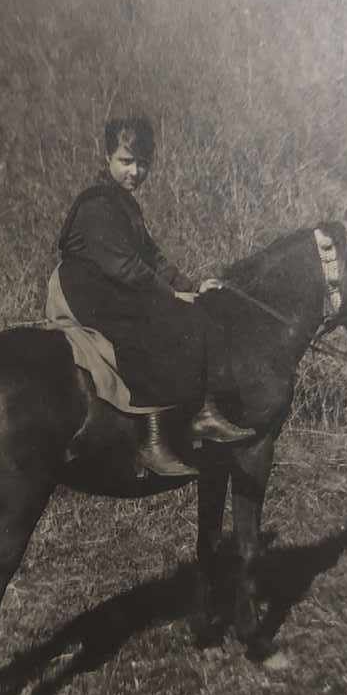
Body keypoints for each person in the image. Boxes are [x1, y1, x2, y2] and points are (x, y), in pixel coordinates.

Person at [51, 115, 255, 477]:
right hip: (85, 290)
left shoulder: (126, 204)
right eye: (126, 161)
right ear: (107, 159)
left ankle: (203, 413)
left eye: (142, 163)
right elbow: (125, 267)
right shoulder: (97, 205)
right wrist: (173, 297)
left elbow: (152, 258)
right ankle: (152, 441)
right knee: (153, 328)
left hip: (113, 285)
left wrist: (192, 287)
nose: (135, 171)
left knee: (194, 313)